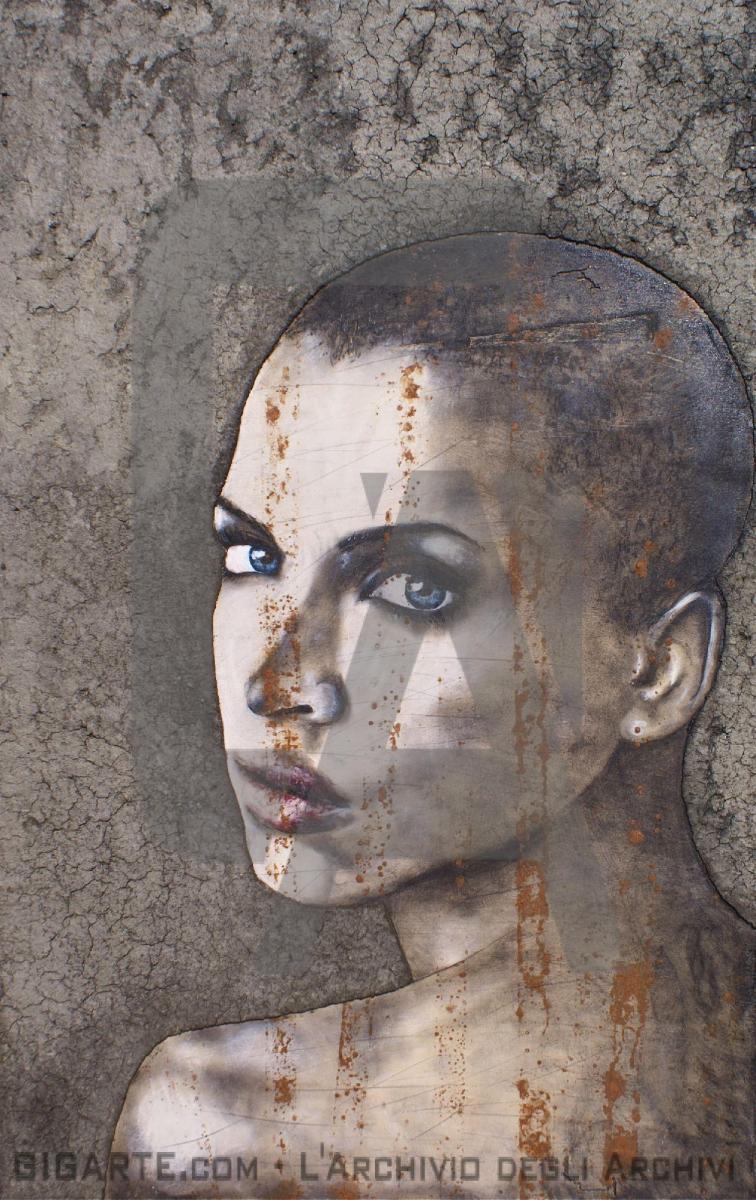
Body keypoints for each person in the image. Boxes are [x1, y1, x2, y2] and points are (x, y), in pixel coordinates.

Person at [108, 234, 753, 1198]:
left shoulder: (237, 1132)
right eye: (252, 557)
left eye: (414, 587)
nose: (278, 683)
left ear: (659, 670)